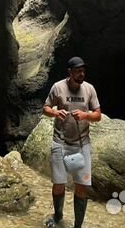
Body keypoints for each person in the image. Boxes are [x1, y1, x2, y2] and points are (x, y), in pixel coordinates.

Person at [43, 56, 101, 228]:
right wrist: (54, 113)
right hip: (60, 142)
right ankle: (58, 216)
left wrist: (86, 115)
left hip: (82, 143)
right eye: (78, 71)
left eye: (83, 70)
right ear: (70, 72)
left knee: (82, 185)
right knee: (59, 183)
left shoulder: (89, 89)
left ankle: (78, 225)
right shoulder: (58, 88)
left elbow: (98, 114)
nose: (82, 74)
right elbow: (45, 108)